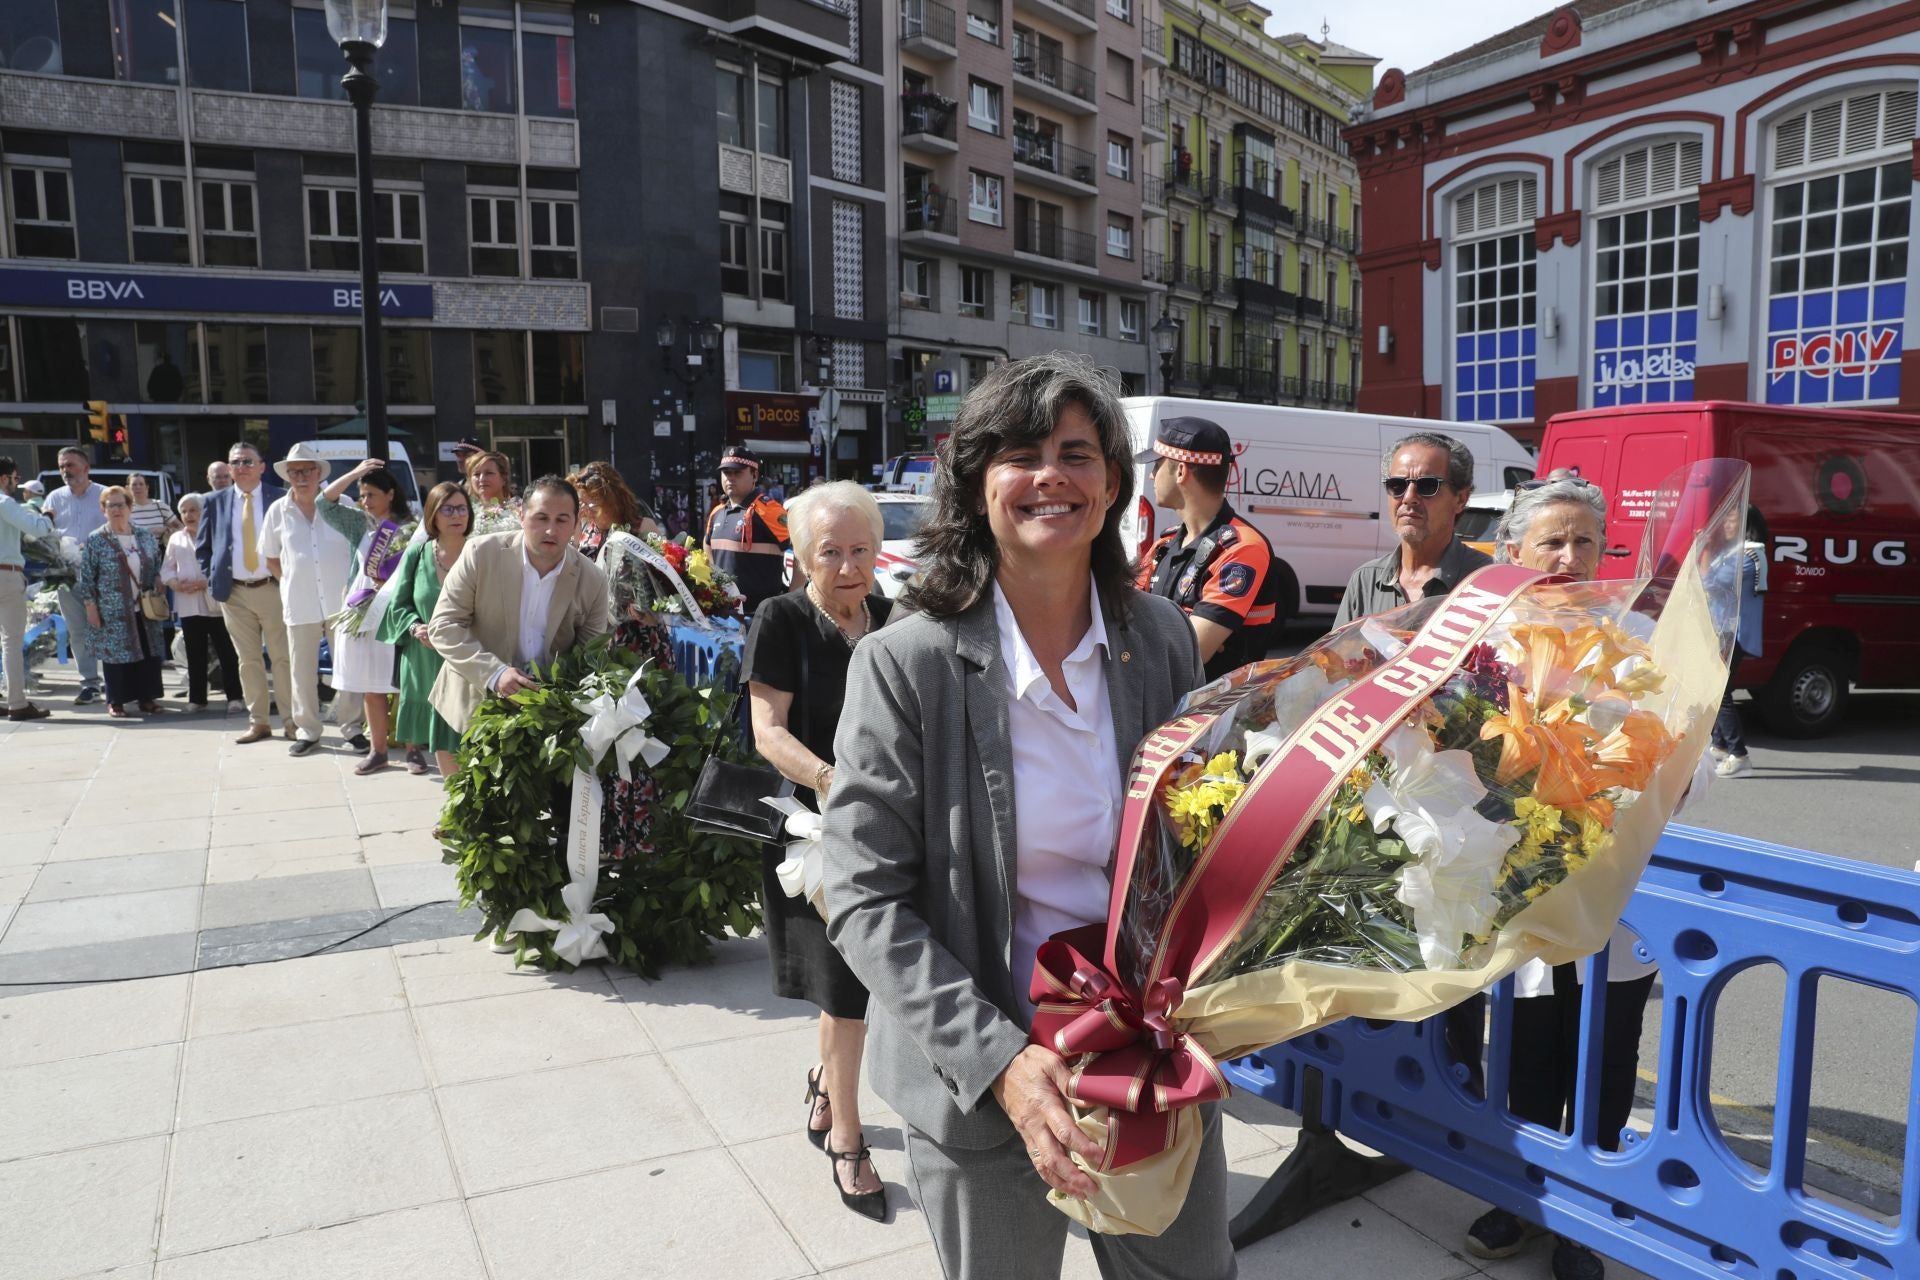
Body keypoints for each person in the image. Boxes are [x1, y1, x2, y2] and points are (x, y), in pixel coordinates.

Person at [822, 354, 1236, 1279]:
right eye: (1020, 453)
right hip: (984, 1076)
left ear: (1116, 486)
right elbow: (861, 896)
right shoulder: (908, 664)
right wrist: (1001, 1061)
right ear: (976, 486)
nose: (1051, 474)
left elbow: (1201, 837)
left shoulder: (1160, 637)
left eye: (1078, 453)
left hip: (1145, 1063)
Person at [1460, 476, 1661, 1280]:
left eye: (1585, 541)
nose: (1571, 557)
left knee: (1607, 1052)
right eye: (1552, 541)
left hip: (1616, 889)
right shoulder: (1483, 639)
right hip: (1523, 884)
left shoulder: (1641, 636)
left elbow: (1690, 760)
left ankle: (1589, 1222)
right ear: (1513, 552)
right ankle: (1523, 1199)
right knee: (1526, 1050)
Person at [741, 480, 896, 1221]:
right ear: (802, 556)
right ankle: (847, 1136)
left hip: (892, 834)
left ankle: (822, 1079)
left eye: (860, 549)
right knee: (846, 988)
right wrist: (833, 782)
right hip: (812, 834)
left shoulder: (895, 621)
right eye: (829, 551)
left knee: (869, 986)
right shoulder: (781, 619)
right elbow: (768, 732)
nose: (846, 565)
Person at [426, 475, 609, 735]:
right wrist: (495, 674)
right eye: (541, 518)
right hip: (473, 705)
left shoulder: (594, 580)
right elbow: (443, 626)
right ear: (521, 516)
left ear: (577, 524)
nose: (551, 530)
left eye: (562, 520)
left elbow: (591, 656)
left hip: (549, 716)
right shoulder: (480, 554)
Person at [1134, 415, 1282, 682]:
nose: (1152, 474)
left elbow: (1191, 653)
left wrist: (1152, 631)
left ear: (1181, 471)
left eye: (1157, 465)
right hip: (1168, 706)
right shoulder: (1164, 545)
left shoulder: (1242, 548)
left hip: (1217, 716)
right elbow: (1119, 617)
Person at [261, 443, 366, 757]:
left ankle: (353, 728)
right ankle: (308, 731)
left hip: (341, 602)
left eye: (307, 470)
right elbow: (270, 558)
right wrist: (292, 580)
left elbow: (362, 548)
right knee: (302, 670)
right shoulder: (277, 510)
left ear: (319, 473)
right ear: (288, 476)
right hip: (300, 600)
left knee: (347, 667)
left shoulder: (342, 503)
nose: (301, 476)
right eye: (295, 471)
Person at [1333, 431, 1491, 626]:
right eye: (1397, 485)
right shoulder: (1365, 580)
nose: (1409, 497)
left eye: (1427, 485)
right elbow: (1337, 655)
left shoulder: (1488, 582)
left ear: (1460, 499)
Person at [319, 460, 414, 775]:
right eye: (362, 495)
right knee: (372, 686)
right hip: (363, 611)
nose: (366, 501)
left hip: (396, 610)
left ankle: (413, 749)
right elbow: (324, 502)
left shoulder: (411, 527)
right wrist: (356, 474)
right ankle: (378, 751)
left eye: (372, 494)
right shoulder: (359, 524)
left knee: (403, 684)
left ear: (390, 494)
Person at [196, 441, 293, 745]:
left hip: (272, 588)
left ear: (262, 466)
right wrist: (214, 579)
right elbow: (204, 547)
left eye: (248, 462)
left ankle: (291, 722)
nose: (241, 467)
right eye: (236, 462)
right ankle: (259, 722)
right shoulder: (214, 501)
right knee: (247, 660)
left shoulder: (280, 498)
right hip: (234, 592)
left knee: (282, 659)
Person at [380, 482, 469, 776]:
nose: (456, 515)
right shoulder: (417, 554)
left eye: (461, 508)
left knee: (469, 734)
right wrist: (416, 627)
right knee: (441, 736)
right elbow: (399, 606)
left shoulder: (480, 552)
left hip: (468, 658)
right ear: (432, 514)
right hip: (424, 659)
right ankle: (454, 805)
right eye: (447, 509)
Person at [571, 460, 672, 668]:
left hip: (639, 632)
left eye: (593, 503)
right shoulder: (587, 529)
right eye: (583, 503)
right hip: (596, 631)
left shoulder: (641, 526)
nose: (586, 510)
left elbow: (665, 578)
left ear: (612, 499)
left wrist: (649, 610)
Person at [77, 486, 166, 719]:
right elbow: (86, 576)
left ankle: (146, 698)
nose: (117, 510)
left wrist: (158, 579)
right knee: (115, 656)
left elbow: (156, 564)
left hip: (144, 606)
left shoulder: (144, 535)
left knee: (147, 652)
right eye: (111, 505)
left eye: (121, 505)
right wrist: (90, 606)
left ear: (130, 507)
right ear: (103, 509)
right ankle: (116, 701)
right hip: (112, 608)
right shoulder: (97, 539)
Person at [162, 493, 243, 712]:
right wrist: (176, 584)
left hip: (216, 604)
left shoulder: (217, 534)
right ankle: (197, 699)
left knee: (227, 652)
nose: (189, 515)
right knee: (194, 654)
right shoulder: (176, 538)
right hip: (188, 605)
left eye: (193, 510)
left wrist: (205, 582)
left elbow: (227, 566)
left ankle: (235, 697)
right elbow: (167, 569)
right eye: (184, 511)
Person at [45, 446, 107, 704]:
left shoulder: (104, 495)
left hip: (102, 573)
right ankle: (90, 683)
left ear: (86, 468)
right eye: (61, 466)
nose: (65, 471)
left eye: (70, 465)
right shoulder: (54, 498)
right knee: (78, 630)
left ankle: (116, 680)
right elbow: (44, 532)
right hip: (67, 574)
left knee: (108, 627)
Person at [1710, 509, 1766, 779]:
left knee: (1720, 692)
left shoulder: (1751, 553)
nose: (1727, 525)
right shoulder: (1732, 552)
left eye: (1733, 520)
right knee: (1717, 689)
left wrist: (1703, 550)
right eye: (1727, 519)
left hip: (1735, 634)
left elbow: (1713, 582)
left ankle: (1739, 755)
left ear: (1748, 525)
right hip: (1723, 631)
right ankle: (1720, 746)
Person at [703, 445, 789, 615]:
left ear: (754, 475)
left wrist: (793, 603)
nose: (730, 478)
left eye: (738, 473)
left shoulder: (770, 511)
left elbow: (801, 554)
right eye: (726, 473)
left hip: (761, 616)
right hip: (723, 614)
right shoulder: (717, 512)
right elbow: (707, 549)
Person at [0, 456, 54, 721]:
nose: (15, 483)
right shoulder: (4, 502)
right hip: (5, 575)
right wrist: (47, 517)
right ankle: (17, 703)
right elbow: (37, 529)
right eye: (14, 478)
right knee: (11, 641)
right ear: (4, 478)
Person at [464, 449, 522, 536]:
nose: (482, 479)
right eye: (477, 474)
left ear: (503, 478)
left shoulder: (519, 509)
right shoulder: (465, 512)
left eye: (489, 473)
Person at [125, 473, 179, 544]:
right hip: (134, 552)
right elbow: (121, 534)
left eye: (141, 484)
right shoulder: (124, 509)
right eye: (134, 485)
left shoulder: (159, 505)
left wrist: (168, 530)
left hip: (159, 552)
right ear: (127, 488)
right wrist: (153, 530)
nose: (138, 487)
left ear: (147, 487)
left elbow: (180, 528)